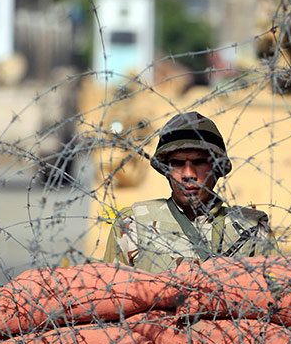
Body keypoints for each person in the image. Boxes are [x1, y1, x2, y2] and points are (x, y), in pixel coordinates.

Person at [104, 112, 277, 273]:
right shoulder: (132, 226)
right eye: (177, 164)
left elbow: (274, 295)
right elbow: (111, 298)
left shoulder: (252, 228)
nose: (188, 175)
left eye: (200, 162)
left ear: (216, 167)